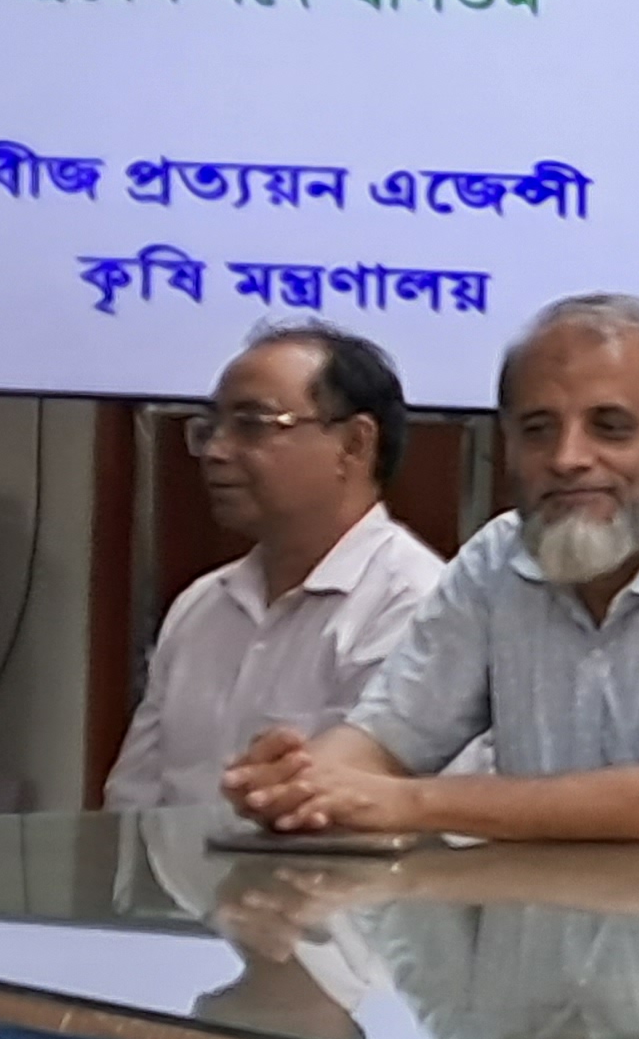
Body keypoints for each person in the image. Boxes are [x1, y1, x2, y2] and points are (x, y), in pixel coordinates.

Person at [225, 295, 639, 873]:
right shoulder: (497, 560)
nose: (567, 459)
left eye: (610, 427)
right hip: (549, 957)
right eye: (538, 430)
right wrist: (301, 784)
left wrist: (407, 803)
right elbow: (386, 740)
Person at [106, 326, 445, 811]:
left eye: (253, 425)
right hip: (178, 886)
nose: (217, 452)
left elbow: (374, 813)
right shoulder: (200, 604)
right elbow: (132, 801)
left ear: (353, 443)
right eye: (211, 428)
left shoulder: (416, 604)